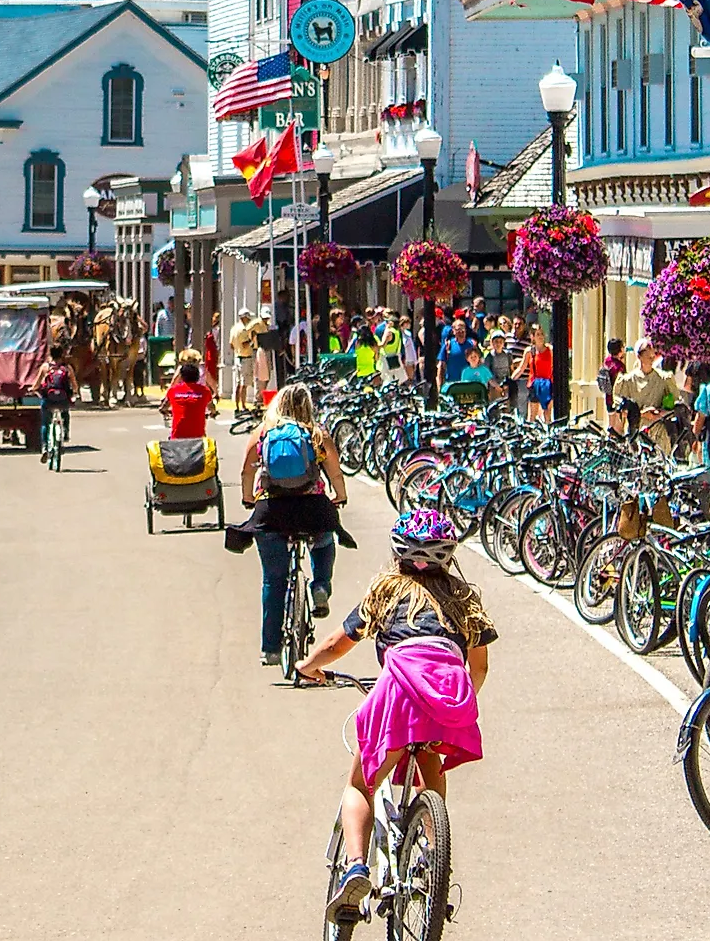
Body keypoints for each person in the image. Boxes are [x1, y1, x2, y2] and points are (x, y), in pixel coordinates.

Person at [297, 506, 497, 930]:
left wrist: (309, 665)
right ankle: (428, 851)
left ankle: (355, 868)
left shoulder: (386, 591)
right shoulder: (463, 598)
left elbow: (338, 643)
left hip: (399, 689)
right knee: (430, 763)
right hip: (449, 693)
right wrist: (459, 702)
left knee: (362, 783)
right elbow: (478, 668)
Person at [236, 382, 347, 664]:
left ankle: (270, 648)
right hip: (311, 508)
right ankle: (320, 584)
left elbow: (246, 473)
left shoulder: (263, 433)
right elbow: (334, 472)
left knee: (273, 580)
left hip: (271, 509)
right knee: (323, 539)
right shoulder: (316, 434)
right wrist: (340, 496)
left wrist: (249, 498)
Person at [162, 359, 213, 439]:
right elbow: (211, 407)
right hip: (198, 436)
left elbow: (164, 406)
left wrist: (164, 411)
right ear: (197, 377)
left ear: (182, 377)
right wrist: (213, 412)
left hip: (177, 435)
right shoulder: (205, 391)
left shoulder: (173, 390)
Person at [36, 356, 76, 441]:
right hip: (63, 401)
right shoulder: (67, 368)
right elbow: (75, 385)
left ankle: (45, 448)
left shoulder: (45, 367)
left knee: (45, 423)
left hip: (49, 401)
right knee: (65, 412)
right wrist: (74, 392)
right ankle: (66, 431)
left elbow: (37, 384)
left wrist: (33, 389)